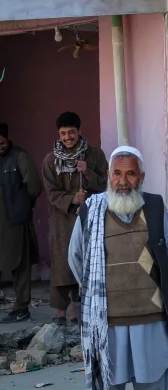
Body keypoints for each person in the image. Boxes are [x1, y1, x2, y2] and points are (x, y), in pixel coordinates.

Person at [69, 145, 168, 390]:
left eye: (131, 174)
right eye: (117, 173)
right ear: (109, 177)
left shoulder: (158, 209)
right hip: (108, 325)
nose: (123, 181)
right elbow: (77, 260)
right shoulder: (90, 211)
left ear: (141, 178)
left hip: (150, 321)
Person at [44, 111, 108, 327]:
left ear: (80, 131)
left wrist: (87, 172)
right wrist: (73, 198)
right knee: (62, 264)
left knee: (85, 261)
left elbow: (106, 184)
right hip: (62, 220)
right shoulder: (50, 160)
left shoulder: (95, 154)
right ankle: (61, 311)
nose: (67, 137)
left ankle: (78, 306)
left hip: (88, 218)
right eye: (63, 133)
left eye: (71, 132)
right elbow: (51, 193)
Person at [0, 123, 42, 324]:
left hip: (15, 220)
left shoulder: (20, 157)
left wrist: (23, 207)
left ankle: (21, 308)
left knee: (20, 265)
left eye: (0, 142)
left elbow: (34, 187)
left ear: (6, 139)